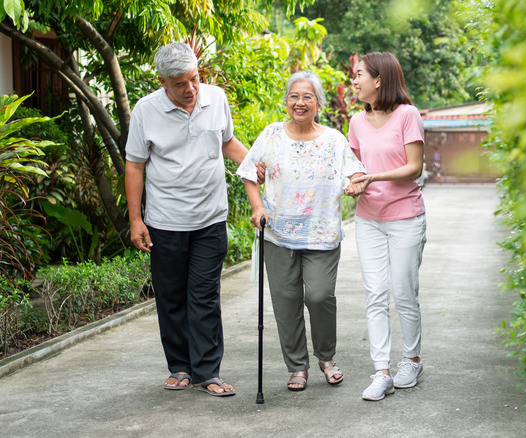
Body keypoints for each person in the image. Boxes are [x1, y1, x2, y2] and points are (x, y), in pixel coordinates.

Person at [125, 42, 248, 397]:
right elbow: (135, 164)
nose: (190, 88)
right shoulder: (146, 110)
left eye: (194, 79)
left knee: (205, 295)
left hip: (210, 217)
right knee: (172, 296)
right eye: (180, 83)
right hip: (165, 221)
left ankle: (207, 371)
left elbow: (227, 142)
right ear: (161, 81)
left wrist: (258, 165)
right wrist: (136, 219)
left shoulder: (216, 99)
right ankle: (179, 366)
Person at [237, 71, 366, 391]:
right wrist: (257, 207)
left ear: (318, 103)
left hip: (321, 234)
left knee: (321, 295)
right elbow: (249, 172)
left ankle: (326, 357)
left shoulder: (334, 140)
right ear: (286, 101)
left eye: (307, 96)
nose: (300, 102)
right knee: (285, 300)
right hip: (278, 234)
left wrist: (353, 184)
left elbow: (357, 173)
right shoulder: (271, 135)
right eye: (294, 96)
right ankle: (297, 367)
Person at [344, 52, 427, 401]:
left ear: (379, 79)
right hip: (368, 219)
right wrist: (352, 181)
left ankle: (412, 359)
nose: (354, 80)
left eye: (359, 74)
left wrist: (373, 176)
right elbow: (351, 163)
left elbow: (414, 167)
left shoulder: (408, 115)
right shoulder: (356, 121)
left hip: (406, 216)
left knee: (403, 292)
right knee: (375, 294)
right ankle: (381, 371)